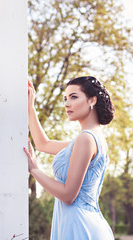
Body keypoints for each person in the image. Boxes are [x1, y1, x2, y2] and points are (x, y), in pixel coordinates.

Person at [23, 76, 115, 239]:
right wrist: (30, 107)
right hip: (86, 222)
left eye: (74, 97)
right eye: (65, 99)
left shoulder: (86, 139)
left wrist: (35, 170)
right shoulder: (92, 138)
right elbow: (43, 144)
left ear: (92, 100)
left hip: (78, 225)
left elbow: (68, 195)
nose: (67, 104)